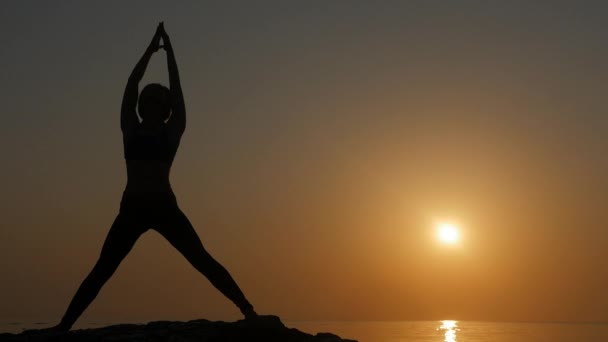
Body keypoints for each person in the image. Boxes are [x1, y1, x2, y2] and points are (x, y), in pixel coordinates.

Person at [51, 22, 257, 331]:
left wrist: (171, 53)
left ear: (165, 109)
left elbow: (177, 90)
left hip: (164, 207)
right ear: (142, 104)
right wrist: (149, 52)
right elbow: (131, 84)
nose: (152, 104)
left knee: (201, 259)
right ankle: (63, 327)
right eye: (149, 99)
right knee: (103, 269)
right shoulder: (130, 129)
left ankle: (249, 311)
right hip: (132, 207)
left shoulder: (172, 133)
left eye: (159, 101)